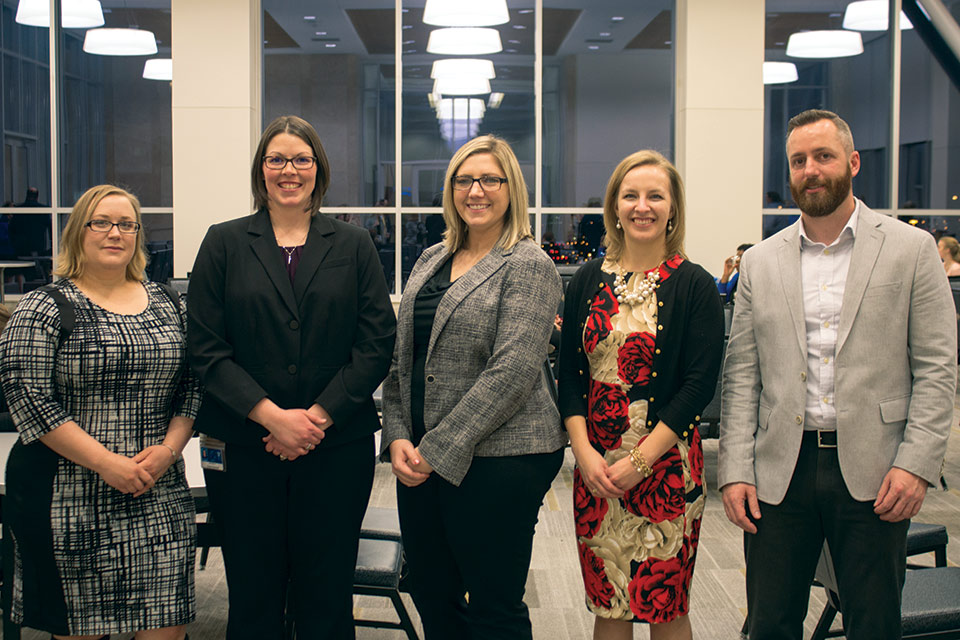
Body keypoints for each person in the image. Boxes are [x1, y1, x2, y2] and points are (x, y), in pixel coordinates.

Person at [719, 109, 956, 640]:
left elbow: (937, 370)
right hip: (781, 469)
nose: (811, 170)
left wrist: (916, 464)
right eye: (798, 161)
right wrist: (735, 467)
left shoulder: (911, 250)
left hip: (877, 469)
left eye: (823, 156)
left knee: (873, 623)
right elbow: (742, 376)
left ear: (851, 163)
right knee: (769, 623)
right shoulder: (760, 260)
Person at [187, 115, 396, 639]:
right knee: (254, 596)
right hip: (243, 447)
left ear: (318, 170)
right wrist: (272, 419)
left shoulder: (354, 245)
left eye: (301, 159)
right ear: (261, 171)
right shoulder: (223, 243)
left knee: (325, 596)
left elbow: (375, 344)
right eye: (276, 159)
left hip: (334, 448)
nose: (289, 170)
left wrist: (314, 419)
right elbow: (207, 349)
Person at [380, 135, 566, 639]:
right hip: (419, 455)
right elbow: (403, 357)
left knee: (492, 603)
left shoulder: (529, 264)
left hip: (502, 458)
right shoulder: (431, 258)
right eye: (464, 180)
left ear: (512, 189)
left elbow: (512, 372)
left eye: (490, 179)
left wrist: (434, 450)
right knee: (431, 591)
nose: (475, 191)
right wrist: (397, 434)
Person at [0, 184, 201, 639]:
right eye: (102, 222)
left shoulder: (169, 304)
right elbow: (27, 396)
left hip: (157, 490)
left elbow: (193, 385)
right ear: (78, 232)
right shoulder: (44, 306)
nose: (115, 233)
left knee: (166, 625)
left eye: (126, 224)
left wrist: (169, 451)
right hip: (69, 499)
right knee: (81, 628)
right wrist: (107, 464)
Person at [558, 150, 723, 640]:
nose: (642, 206)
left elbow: (698, 385)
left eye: (655, 195)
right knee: (609, 602)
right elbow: (569, 375)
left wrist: (641, 462)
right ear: (614, 206)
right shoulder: (588, 278)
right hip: (598, 472)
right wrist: (584, 454)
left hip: (667, 469)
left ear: (673, 208)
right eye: (630, 195)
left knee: (665, 606)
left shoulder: (695, 285)